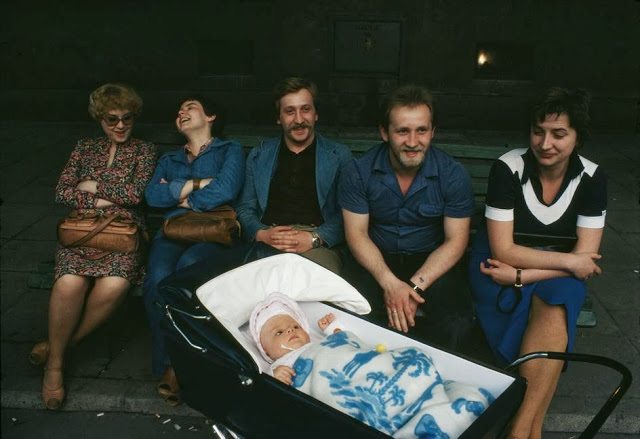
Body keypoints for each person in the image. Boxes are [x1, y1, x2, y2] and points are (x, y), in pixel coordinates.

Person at [468, 87, 606, 439]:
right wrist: (566, 263)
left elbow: (586, 261)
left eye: (559, 134)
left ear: (577, 138)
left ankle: (519, 430)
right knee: (560, 298)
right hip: (495, 266)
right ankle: (530, 431)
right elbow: (504, 249)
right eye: (537, 131)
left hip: (523, 271)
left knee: (560, 299)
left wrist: (521, 275)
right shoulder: (508, 167)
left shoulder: (592, 178)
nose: (546, 144)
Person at [28, 83, 157, 410]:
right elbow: (62, 191)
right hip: (82, 232)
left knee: (114, 284)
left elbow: (135, 195)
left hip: (123, 234)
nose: (120, 125)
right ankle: (56, 366)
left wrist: (91, 185)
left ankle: (57, 351)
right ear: (100, 118)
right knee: (69, 282)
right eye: (112, 119)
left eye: (127, 118)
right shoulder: (84, 147)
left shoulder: (144, 150)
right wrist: (107, 196)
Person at [339, 84, 475, 350]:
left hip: (431, 260)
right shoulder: (357, 172)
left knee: (458, 323)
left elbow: (456, 241)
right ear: (384, 132)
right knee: (351, 317)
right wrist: (390, 284)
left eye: (421, 130)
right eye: (402, 131)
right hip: (375, 259)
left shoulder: (453, 174)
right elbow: (356, 234)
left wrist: (413, 288)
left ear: (432, 131)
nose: (412, 142)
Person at [143, 96, 244, 405]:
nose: (182, 112)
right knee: (158, 277)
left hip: (213, 231)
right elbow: (153, 195)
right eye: (180, 110)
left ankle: (176, 366)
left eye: (190, 107)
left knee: (188, 268)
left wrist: (184, 197)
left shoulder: (229, 150)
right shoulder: (170, 159)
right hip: (173, 229)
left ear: (210, 116)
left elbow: (227, 188)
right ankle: (171, 362)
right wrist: (197, 185)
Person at [236, 77, 352, 273]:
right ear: (279, 118)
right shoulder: (259, 155)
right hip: (269, 238)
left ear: (316, 114)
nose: (299, 120)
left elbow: (348, 214)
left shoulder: (339, 155)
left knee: (310, 284)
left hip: (317, 243)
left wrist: (315, 238)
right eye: (290, 111)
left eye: (305, 109)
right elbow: (245, 208)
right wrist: (261, 234)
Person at [249, 292, 343, 385]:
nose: (290, 330)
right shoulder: (279, 367)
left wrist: (331, 329)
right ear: (266, 351)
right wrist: (274, 378)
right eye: (279, 332)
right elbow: (264, 387)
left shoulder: (317, 344)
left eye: (295, 327)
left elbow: (342, 345)